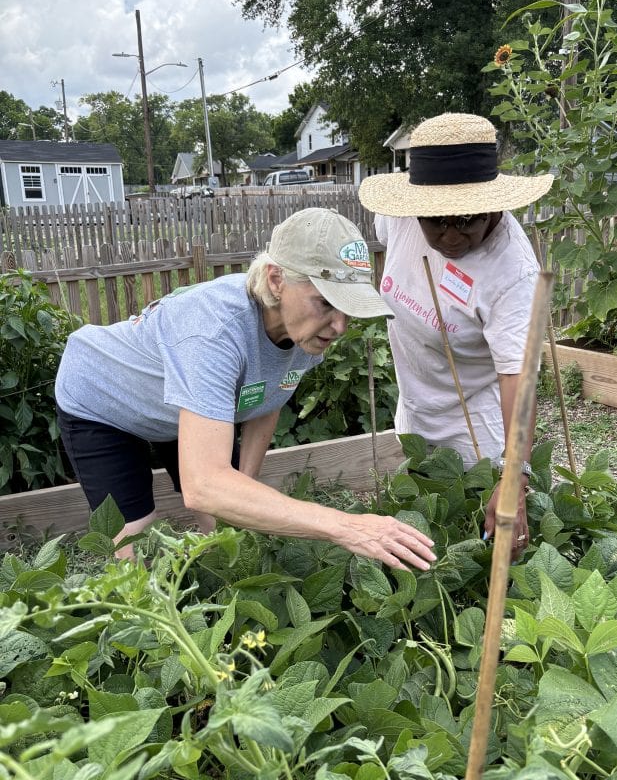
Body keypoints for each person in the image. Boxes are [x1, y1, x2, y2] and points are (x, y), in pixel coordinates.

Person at [55, 207, 435, 570]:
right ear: (276, 280)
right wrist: (346, 526)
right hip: (101, 398)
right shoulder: (214, 332)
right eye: (326, 302)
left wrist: (242, 485)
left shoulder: (305, 331)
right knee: (136, 538)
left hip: (179, 401)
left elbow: (268, 398)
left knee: (225, 522)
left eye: (347, 308)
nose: (339, 326)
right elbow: (204, 486)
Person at [358, 113, 553, 547]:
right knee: (430, 527)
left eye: (466, 220)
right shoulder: (404, 217)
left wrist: (513, 474)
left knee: (481, 544)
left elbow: (517, 378)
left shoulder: (513, 274)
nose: (450, 236)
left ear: (494, 204)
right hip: (415, 406)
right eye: (437, 221)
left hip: (476, 427)